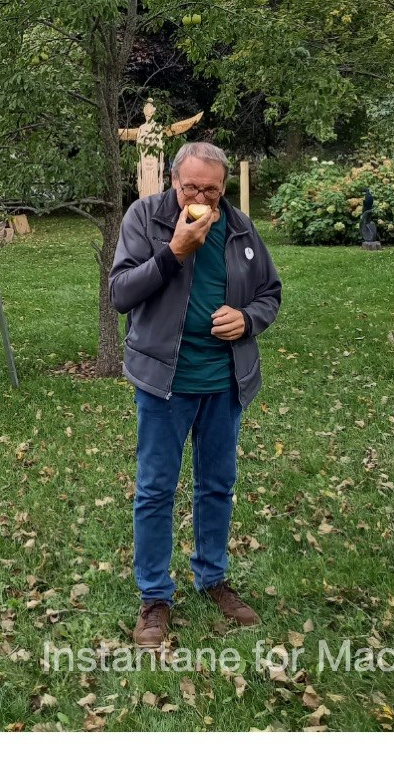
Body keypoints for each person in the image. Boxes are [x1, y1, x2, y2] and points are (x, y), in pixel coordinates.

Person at [107, 138, 281, 646]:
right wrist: (174, 251)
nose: (200, 198)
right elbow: (121, 292)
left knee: (217, 486)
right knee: (157, 489)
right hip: (165, 381)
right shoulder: (146, 218)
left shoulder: (241, 227)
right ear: (173, 182)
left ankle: (213, 578)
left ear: (223, 187)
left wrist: (248, 319)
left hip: (225, 382)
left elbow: (270, 292)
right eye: (190, 188)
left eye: (211, 189)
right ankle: (154, 597)